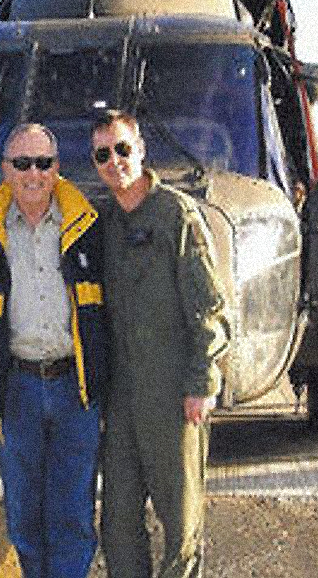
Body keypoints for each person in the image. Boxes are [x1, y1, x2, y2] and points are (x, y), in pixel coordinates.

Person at [91, 110, 230, 578]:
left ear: (141, 150)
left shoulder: (176, 214)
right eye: (104, 154)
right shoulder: (104, 222)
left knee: (182, 525)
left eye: (123, 149)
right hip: (124, 399)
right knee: (118, 524)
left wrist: (202, 381)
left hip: (174, 395)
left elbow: (209, 306)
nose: (115, 162)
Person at [0, 123, 109, 578]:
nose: (34, 173)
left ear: (57, 168)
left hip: (74, 387)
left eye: (44, 163)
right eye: (22, 163)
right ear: (5, 170)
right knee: (24, 515)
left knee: (72, 513)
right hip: (17, 389)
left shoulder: (87, 226)